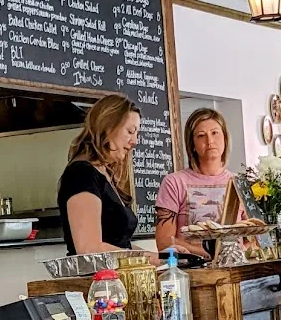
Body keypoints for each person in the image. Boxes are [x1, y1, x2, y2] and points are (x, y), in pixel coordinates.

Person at [58, 94, 160, 266]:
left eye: (137, 134)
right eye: (130, 131)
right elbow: (89, 248)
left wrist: (161, 256)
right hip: (97, 285)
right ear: (108, 127)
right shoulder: (81, 174)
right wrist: (145, 258)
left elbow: (120, 246)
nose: (134, 142)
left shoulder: (105, 173)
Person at [155, 108, 238, 258]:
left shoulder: (240, 183)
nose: (210, 141)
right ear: (192, 144)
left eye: (215, 133)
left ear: (225, 138)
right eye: (201, 136)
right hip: (192, 271)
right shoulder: (174, 182)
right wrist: (211, 254)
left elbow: (256, 238)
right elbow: (164, 242)